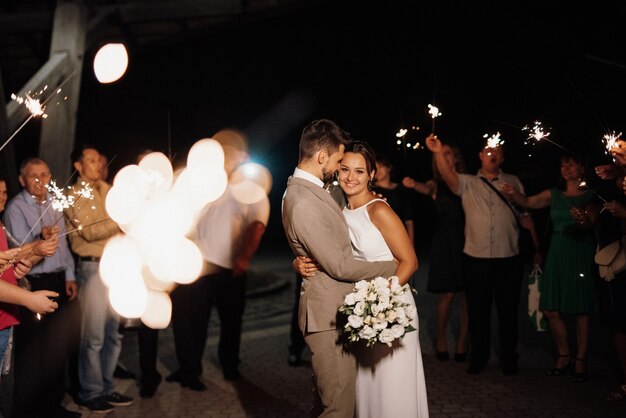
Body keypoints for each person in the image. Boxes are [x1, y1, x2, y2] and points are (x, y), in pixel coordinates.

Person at [295, 140, 428, 417]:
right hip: (360, 314)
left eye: (359, 171)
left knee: (392, 390)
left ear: (372, 174)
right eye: (344, 169)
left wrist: (381, 300)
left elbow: (410, 261)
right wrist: (298, 261)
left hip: (389, 308)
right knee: (367, 391)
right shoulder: (339, 212)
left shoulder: (379, 209)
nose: (350, 177)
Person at [281, 119, 397, 417]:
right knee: (338, 409)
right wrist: (391, 266)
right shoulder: (303, 200)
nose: (338, 168)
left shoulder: (314, 191)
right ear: (322, 156)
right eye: (337, 161)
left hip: (335, 313)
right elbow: (340, 265)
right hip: (326, 317)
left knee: (329, 403)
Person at [426, 133, 541, 375]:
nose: (492, 154)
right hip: (476, 257)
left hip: (508, 256)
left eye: (497, 151)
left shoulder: (513, 181)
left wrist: (537, 246)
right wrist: (438, 152)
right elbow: (447, 176)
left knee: (508, 311)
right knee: (479, 311)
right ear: (480, 156)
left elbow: (525, 210)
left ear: (502, 157)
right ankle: (479, 357)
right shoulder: (467, 182)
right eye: (488, 151)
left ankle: (509, 359)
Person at [169, 129, 269, 387]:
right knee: (195, 319)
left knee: (231, 320)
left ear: (241, 157)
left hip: (231, 266)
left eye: (230, 153)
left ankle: (229, 365)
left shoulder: (249, 187)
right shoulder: (208, 185)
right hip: (201, 264)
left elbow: (257, 226)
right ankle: (190, 370)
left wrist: (244, 259)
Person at [503, 154, 599, 382]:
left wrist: (581, 218)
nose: (566, 167)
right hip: (557, 253)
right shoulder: (554, 194)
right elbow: (527, 202)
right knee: (550, 307)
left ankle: (581, 360)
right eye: (563, 163)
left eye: (571, 163)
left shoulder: (592, 196)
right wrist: (512, 192)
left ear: (582, 167)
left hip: (580, 253)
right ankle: (564, 353)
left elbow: (589, 223)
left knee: (581, 309)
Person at [4, 157, 80, 418]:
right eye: (33, 175)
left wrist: (70, 275)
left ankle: (55, 404)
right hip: (30, 283)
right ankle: (36, 408)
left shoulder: (54, 203)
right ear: (23, 180)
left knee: (58, 343)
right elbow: (15, 249)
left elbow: (65, 244)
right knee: (36, 348)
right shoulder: (14, 207)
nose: (40, 180)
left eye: (45, 174)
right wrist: (39, 239)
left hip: (58, 279)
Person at [64, 144, 132, 414]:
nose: (97, 164)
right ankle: (89, 392)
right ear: (78, 166)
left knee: (114, 333)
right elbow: (90, 232)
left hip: (118, 265)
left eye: (98, 159)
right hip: (92, 268)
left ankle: (106, 387)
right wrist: (120, 218)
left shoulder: (110, 190)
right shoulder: (72, 194)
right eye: (90, 160)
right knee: (93, 335)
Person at [403, 143, 469, 362]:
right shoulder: (436, 184)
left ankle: (462, 342)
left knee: (468, 296)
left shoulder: (468, 181)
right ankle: (441, 338)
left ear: (456, 158)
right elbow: (425, 188)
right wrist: (413, 185)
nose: (444, 157)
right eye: (441, 155)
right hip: (445, 240)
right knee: (447, 294)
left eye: (448, 153)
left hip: (469, 238)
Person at [594, 141, 626, 401]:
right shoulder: (609, 180)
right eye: (616, 149)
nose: (618, 151)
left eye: (624, 147)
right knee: (619, 324)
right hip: (617, 260)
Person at [371, 154, 416, 245]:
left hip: (400, 238)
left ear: (389, 168)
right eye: (375, 168)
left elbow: (409, 220)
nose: (377, 171)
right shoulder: (371, 191)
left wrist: (411, 243)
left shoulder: (400, 189)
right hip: (380, 239)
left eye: (381, 167)